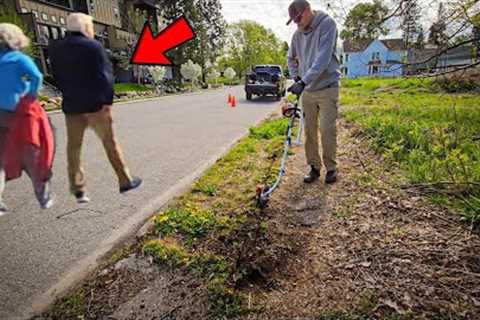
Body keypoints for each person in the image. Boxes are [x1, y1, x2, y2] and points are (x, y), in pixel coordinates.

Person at [49, 13, 142, 204]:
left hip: (72, 106)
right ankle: (124, 180)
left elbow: (56, 76)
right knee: (110, 143)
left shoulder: (56, 48)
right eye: (91, 27)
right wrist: (107, 102)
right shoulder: (93, 46)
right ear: (85, 27)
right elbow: (105, 76)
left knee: (74, 148)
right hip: (96, 106)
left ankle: (78, 189)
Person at [0, 23, 54, 214]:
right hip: (19, 113)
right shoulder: (18, 59)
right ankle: (43, 197)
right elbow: (37, 77)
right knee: (32, 154)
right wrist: (30, 94)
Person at [286, 0, 341, 184]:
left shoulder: (327, 24)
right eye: (293, 20)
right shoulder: (296, 35)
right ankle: (314, 167)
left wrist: (303, 80)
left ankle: (331, 168)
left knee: (327, 129)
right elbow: (290, 58)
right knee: (309, 131)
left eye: (299, 18)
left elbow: (323, 59)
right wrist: (296, 78)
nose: (297, 22)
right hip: (308, 91)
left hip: (328, 87)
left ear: (308, 10)